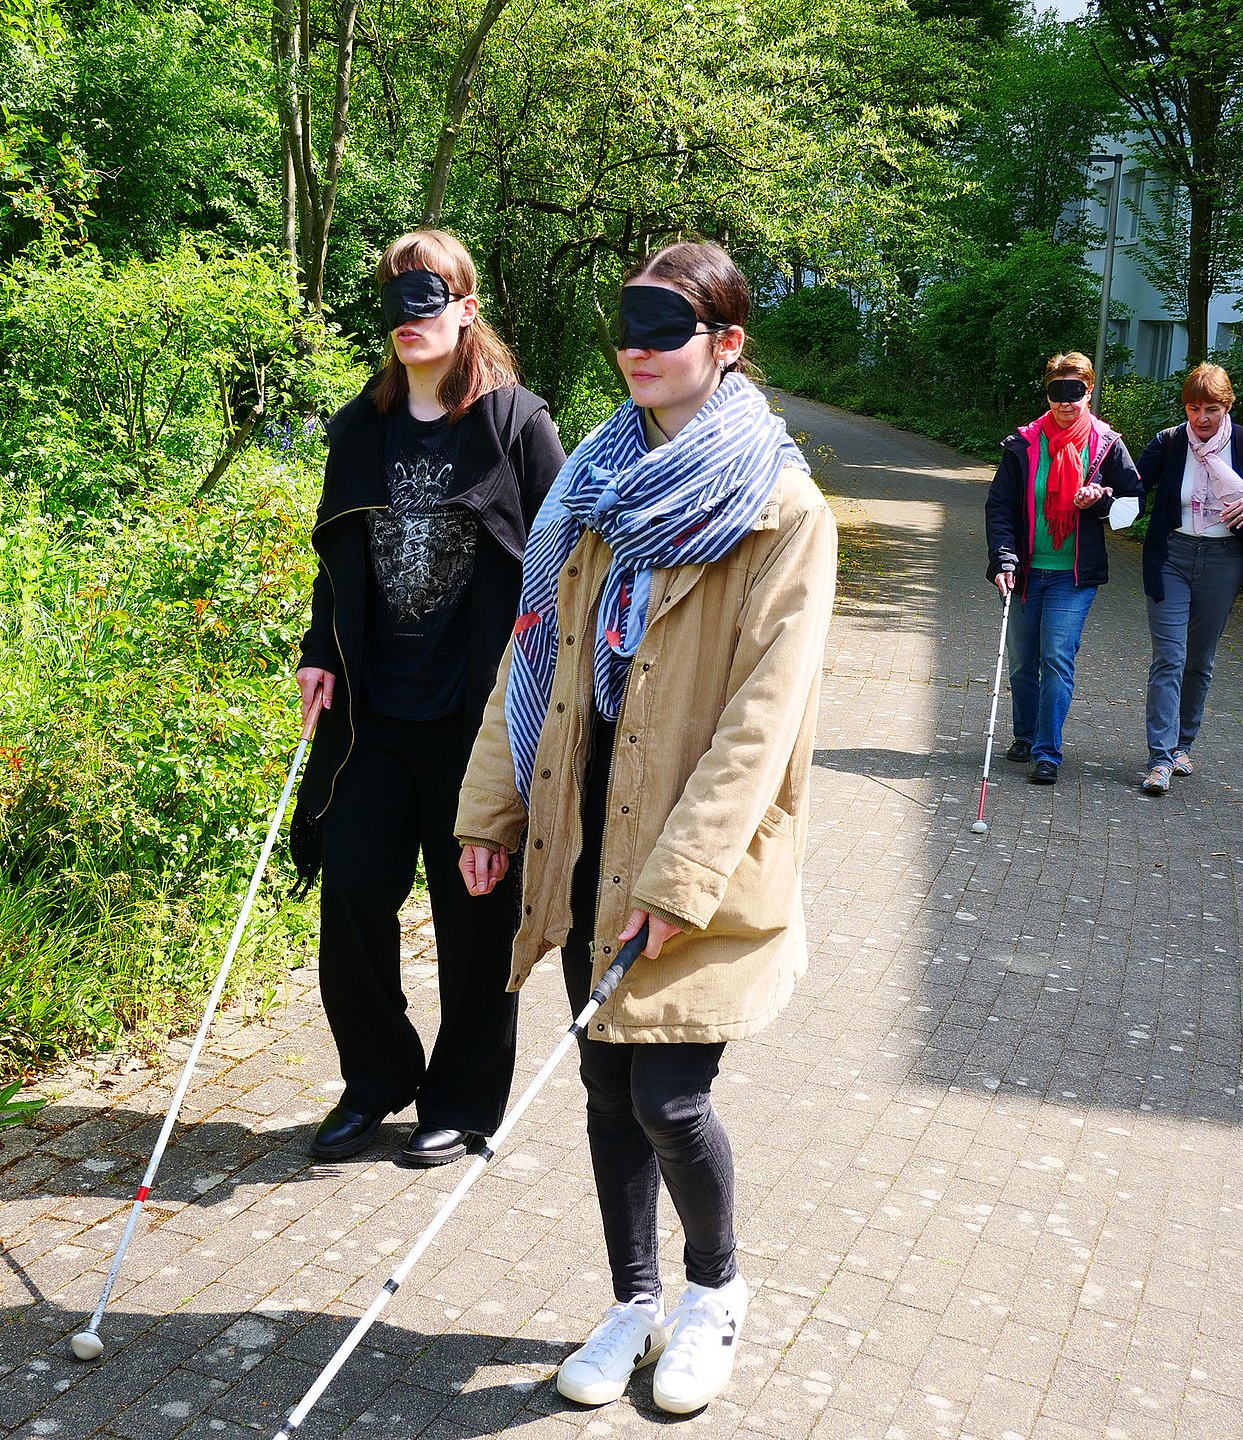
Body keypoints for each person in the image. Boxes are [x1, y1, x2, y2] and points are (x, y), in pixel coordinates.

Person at [455, 242, 837, 1415]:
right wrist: (494, 808)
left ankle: (715, 1296)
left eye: (666, 326)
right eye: (629, 322)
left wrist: (680, 879)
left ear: (726, 345)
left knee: (671, 1099)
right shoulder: (596, 488)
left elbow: (762, 721)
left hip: (695, 859)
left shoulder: (782, 509)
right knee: (606, 1090)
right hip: (586, 833)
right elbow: (543, 658)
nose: (638, 345)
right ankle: (631, 1300)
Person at [289, 229, 566, 1167]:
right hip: (372, 718)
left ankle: (463, 1100)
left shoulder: (517, 424)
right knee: (353, 904)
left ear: (466, 307)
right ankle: (376, 1080)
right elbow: (334, 562)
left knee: (475, 915)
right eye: (396, 298)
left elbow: (560, 569)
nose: (411, 317)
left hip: (476, 722)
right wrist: (318, 651)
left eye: (430, 296)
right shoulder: (356, 428)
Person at [983, 351, 1142, 784]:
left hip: (1074, 575)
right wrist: (1003, 557)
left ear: (1089, 391)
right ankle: (1026, 734)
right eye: (1058, 392)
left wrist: (1102, 501)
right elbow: (1000, 507)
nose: (1066, 402)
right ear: (1048, 393)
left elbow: (1133, 505)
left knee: (1056, 658)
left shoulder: (1106, 443)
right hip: (1027, 570)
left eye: (1076, 392)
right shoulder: (1024, 444)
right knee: (1021, 660)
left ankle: (1047, 752)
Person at [1133, 362, 1243, 794]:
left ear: (1226, 406)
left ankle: (1182, 746)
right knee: (1169, 658)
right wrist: (1104, 493)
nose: (1201, 418)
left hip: (1224, 559)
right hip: (1172, 557)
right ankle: (1158, 760)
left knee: (1200, 660)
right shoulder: (1169, 442)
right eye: (1194, 408)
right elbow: (1134, 486)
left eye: (1211, 408)